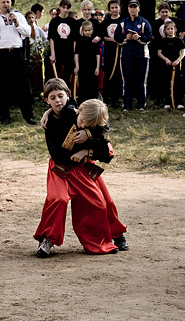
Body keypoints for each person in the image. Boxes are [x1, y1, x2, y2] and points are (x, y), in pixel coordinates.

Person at [34, 79, 126, 257]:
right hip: (60, 169)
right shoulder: (52, 121)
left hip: (83, 169)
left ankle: (115, 235)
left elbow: (105, 144)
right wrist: (48, 112)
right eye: (52, 98)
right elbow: (56, 154)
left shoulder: (77, 113)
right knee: (58, 199)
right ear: (47, 100)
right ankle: (48, 240)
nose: (57, 101)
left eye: (61, 96)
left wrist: (87, 144)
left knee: (104, 202)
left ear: (68, 95)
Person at [114, 0, 152, 111]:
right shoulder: (123, 23)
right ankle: (126, 104)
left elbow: (149, 37)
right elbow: (117, 37)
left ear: (139, 9)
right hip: (126, 55)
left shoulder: (144, 22)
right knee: (127, 80)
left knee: (141, 81)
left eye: (135, 7)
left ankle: (141, 104)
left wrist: (138, 37)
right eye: (131, 7)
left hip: (142, 55)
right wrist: (126, 38)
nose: (133, 9)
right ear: (128, 9)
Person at [149, 2, 185, 105]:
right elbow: (150, 33)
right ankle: (161, 98)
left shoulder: (174, 22)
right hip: (160, 52)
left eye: (166, 12)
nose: (164, 14)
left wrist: (182, 35)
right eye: (162, 12)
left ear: (169, 12)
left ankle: (177, 100)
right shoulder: (155, 23)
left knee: (176, 78)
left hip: (173, 53)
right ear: (159, 12)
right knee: (161, 77)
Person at [99, 0, 123, 108]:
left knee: (118, 75)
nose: (114, 9)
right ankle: (106, 98)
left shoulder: (123, 21)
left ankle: (116, 99)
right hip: (108, 51)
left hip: (120, 52)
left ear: (120, 8)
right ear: (109, 9)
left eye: (116, 7)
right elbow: (102, 36)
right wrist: (112, 39)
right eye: (112, 8)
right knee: (108, 74)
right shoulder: (105, 22)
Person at [156, 21, 185, 109]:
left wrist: (178, 60)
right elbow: (159, 52)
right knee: (166, 82)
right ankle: (167, 101)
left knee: (177, 82)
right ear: (165, 31)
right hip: (166, 65)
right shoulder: (163, 41)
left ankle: (179, 102)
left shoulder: (179, 41)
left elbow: (183, 52)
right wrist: (166, 59)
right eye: (168, 29)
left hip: (176, 65)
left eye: (172, 29)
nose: (170, 31)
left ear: (175, 30)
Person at [48, 0, 77, 85]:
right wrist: (53, 54)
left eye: (67, 8)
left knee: (67, 75)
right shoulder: (54, 21)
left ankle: (66, 95)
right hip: (57, 51)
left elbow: (75, 40)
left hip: (69, 52)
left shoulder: (72, 22)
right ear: (60, 7)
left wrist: (75, 55)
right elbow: (51, 38)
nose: (65, 10)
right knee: (56, 75)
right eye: (63, 7)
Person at [74, 21, 101, 104]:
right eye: (85, 30)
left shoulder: (94, 41)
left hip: (92, 66)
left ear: (92, 30)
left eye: (89, 30)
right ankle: (83, 102)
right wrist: (77, 66)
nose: (87, 32)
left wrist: (97, 67)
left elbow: (98, 55)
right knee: (83, 84)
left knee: (93, 84)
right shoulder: (79, 40)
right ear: (82, 31)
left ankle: (93, 102)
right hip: (82, 66)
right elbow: (76, 54)